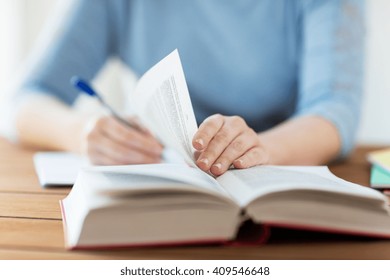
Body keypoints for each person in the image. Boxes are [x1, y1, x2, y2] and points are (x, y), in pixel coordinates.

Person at [13, 0, 365, 176]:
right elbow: (25, 99)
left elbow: (334, 109)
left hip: (269, 177)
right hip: (162, 182)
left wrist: (256, 150)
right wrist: (83, 133)